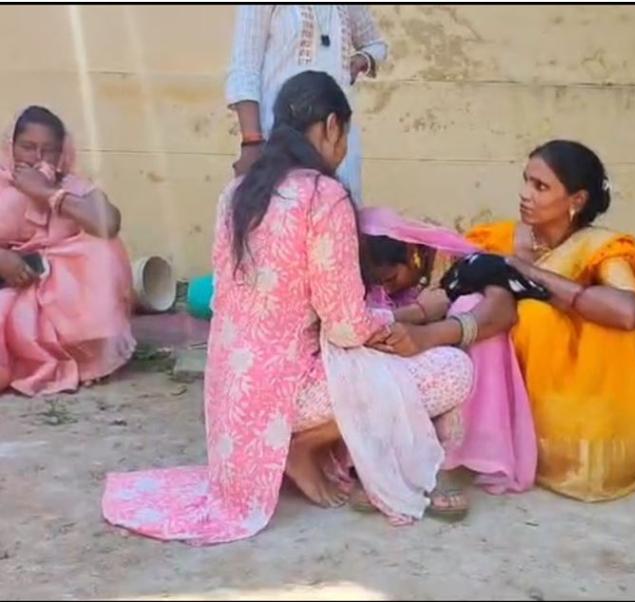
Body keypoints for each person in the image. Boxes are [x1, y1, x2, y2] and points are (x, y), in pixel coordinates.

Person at [102, 71, 474, 545]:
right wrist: (407, 320)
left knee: (369, 365)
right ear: (332, 126)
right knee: (453, 370)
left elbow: (224, 300)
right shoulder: (323, 197)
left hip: (231, 400)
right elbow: (345, 327)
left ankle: (309, 447)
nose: (343, 149)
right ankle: (302, 447)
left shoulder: (237, 193)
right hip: (287, 399)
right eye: (345, 135)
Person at [466, 140, 635, 502]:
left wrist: (531, 274)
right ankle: (501, 439)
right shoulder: (499, 239)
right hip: (503, 395)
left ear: (577, 200)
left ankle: (584, 448)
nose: (525, 194)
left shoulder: (598, 247)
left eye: (541, 187)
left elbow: (628, 312)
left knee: (585, 323)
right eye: (526, 181)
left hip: (578, 401)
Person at [358, 208, 537, 501]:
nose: (386, 287)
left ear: (413, 254)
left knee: (468, 305)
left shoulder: (464, 264)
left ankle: (466, 454)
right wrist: (411, 314)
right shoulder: (375, 289)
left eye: (391, 278)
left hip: (459, 365)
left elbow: (501, 310)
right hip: (413, 370)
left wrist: (429, 333)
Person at [0, 106, 135, 396]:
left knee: (104, 248)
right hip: (7, 288)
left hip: (52, 293)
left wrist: (47, 193)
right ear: (11, 147)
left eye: (48, 150)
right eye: (27, 147)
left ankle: (83, 360)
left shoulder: (73, 186)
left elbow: (109, 223)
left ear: (62, 154)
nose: (37, 158)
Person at [225, 4, 387, 204]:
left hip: (337, 143)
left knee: (337, 213)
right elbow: (245, 68)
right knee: (282, 213)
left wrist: (363, 59)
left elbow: (376, 45)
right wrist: (251, 142)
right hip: (280, 138)